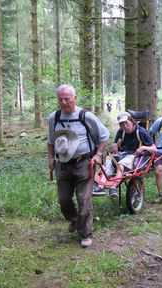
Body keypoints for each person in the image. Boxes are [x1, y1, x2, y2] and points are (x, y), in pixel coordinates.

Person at [47, 84, 110, 249]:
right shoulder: (54, 118)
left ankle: (86, 234)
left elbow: (104, 136)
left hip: (84, 163)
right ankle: (74, 220)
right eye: (60, 99)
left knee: (84, 199)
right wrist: (51, 158)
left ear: (75, 98)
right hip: (63, 164)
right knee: (63, 200)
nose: (63, 102)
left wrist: (98, 155)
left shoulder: (86, 116)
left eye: (67, 99)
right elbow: (50, 141)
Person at [103, 112, 156, 196]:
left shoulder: (141, 131)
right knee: (108, 160)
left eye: (126, 123)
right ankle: (100, 185)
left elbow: (154, 149)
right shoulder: (121, 131)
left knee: (121, 164)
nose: (125, 126)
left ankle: (113, 188)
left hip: (136, 157)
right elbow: (115, 143)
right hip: (123, 154)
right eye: (122, 125)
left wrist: (143, 148)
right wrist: (115, 146)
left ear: (131, 121)